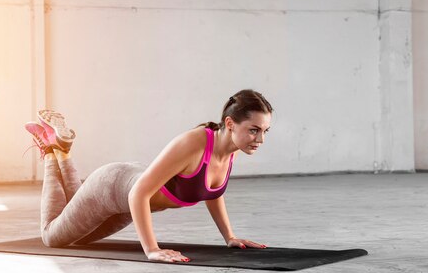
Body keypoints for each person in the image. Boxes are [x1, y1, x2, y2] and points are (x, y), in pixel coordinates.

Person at [24, 89, 273, 263]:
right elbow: (138, 193)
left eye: (264, 131)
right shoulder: (193, 143)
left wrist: (229, 237)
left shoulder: (232, 149)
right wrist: (152, 250)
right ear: (230, 124)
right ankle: (49, 150)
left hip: (125, 198)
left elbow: (212, 191)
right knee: (52, 237)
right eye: (254, 130)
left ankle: (62, 149)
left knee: (78, 239)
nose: (260, 139)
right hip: (113, 188)